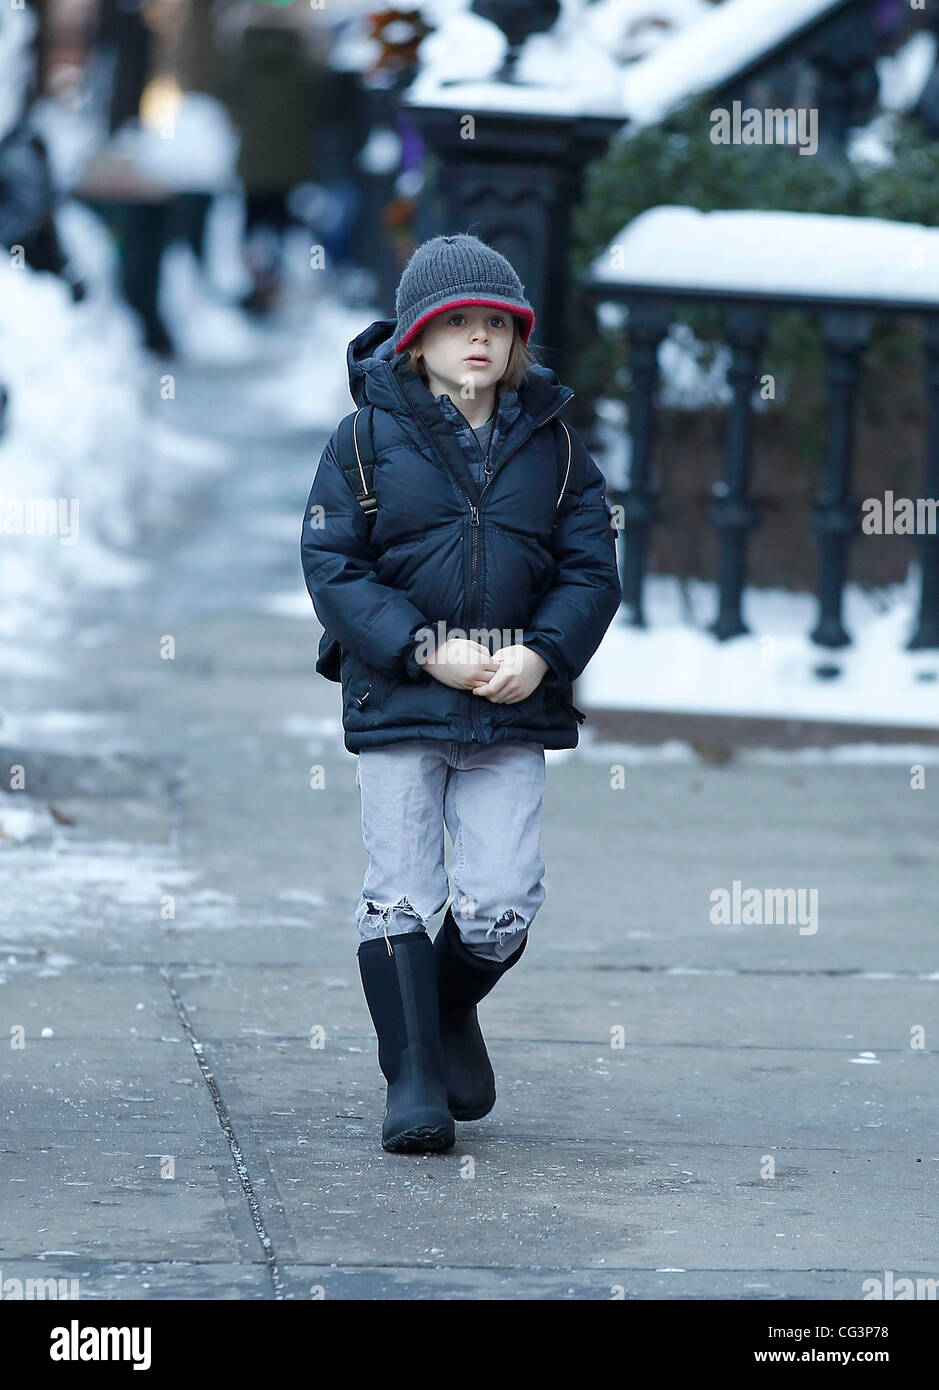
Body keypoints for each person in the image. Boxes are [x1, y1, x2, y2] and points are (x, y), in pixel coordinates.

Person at [300, 234, 621, 1153]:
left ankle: (436, 1017)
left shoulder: (552, 444)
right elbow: (332, 562)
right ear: (416, 339)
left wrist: (546, 656)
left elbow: (590, 567)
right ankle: (411, 1079)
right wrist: (419, 646)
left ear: (515, 342)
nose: (477, 340)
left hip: (510, 705)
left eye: (495, 325)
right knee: (400, 888)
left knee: (502, 898)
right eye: (455, 324)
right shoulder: (364, 439)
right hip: (401, 701)